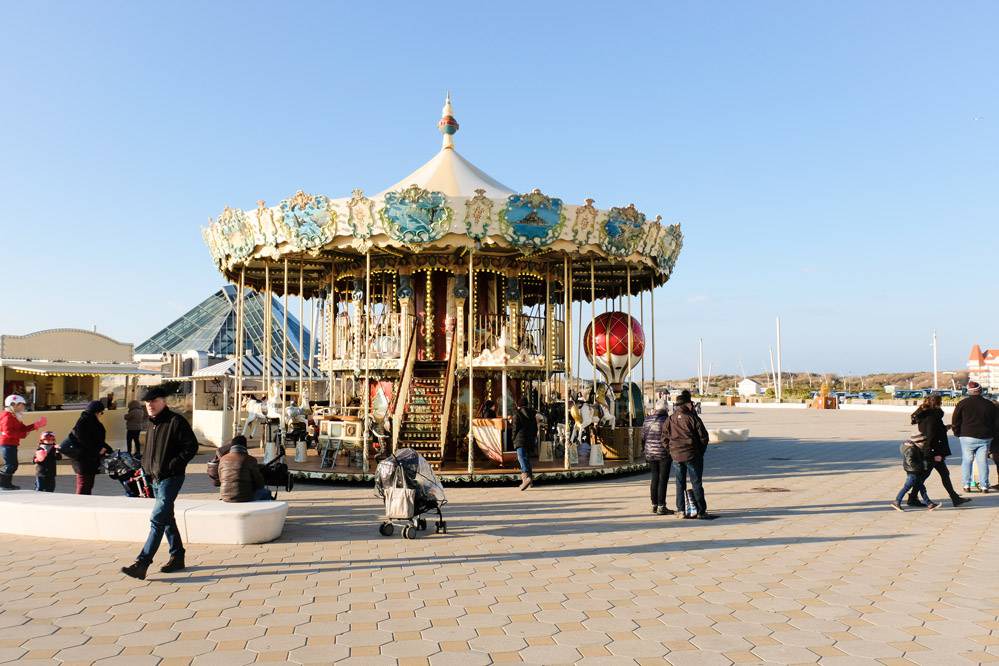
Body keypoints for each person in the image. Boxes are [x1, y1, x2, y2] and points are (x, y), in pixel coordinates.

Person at [121, 385, 199, 580]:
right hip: (154, 478)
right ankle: (177, 556)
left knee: (157, 519)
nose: (150, 405)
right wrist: (145, 468)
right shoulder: (151, 423)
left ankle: (142, 563)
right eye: (147, 402)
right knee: (166, 519)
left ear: (163, 402)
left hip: (171, 478)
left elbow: (191, 447)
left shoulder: (176, 421)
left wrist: (172, 465)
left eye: (154, 401)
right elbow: (150, 451)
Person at [908, 394, 970, 507]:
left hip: (932, 450)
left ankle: (954, 498)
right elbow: (931, 435)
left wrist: (946, 427)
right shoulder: (932, 417)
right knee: (925, 475)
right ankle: (911, 498)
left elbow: (933, 430)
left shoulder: (927, 414)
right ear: (938, 403)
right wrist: (932, 453)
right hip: (933, 451)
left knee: (941, 474)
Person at [667, 390, 714, 519]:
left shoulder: (670, 419)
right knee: (696, 482)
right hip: (692, 455)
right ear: (688, 404)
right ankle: (700, 510)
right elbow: (704, 437)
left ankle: (681, 510)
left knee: (679, 483)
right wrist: (700, 452)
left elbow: (664, 437)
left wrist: (671, 451)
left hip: (676, 455)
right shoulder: (693, 418)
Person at [952, 381, 996, 493]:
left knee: (967, 460)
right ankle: (984, 486)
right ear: (980, 391)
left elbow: (955, 420)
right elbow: (995, 422)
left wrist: (957, 432)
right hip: (985, 437)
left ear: (969, 391)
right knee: (982, 462)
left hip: (967, 436)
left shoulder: (962, 403)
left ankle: (966, 485)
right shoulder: (989, 404)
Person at [0, 394, 47, 490]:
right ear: (13, 404)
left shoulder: (14, 416)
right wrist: (22, 435)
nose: (23, 407)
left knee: (12, 464)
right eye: (21, 404)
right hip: (7, 444)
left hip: (11, 444)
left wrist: (35, 425)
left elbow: (23, 428)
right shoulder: (7, 417)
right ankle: (3, 484)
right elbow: (8, 432)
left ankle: (6, 484)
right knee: (10, 465)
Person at [70, 401, 113, 495]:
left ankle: (83, 505)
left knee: (87, 485)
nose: (101, 415)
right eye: (101, 412)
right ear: (96, 412)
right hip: (84, 460)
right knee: (84, 485)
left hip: (87, 460)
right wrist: (98, 449)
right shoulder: (86, 422)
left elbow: (95, 440)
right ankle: (80, 506)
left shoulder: (88, 421)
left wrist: (108, 449)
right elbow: (84, 440)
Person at [890, 433, 939, 511]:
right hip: (913, 472)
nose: (924, 444)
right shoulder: (911, 449)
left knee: (921, 488)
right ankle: (896, 502)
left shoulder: (915, 447)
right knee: (906, 487)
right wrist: (921, 466)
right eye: (923, 442)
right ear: (919, 442)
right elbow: (910, 462)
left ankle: (929, 504)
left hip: (915, 471)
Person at [642, 397, 674, 515]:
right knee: (663, 479)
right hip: (663, 453)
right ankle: (661, 506)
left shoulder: (647, 419)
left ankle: (654, 504)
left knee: (654, 478)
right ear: (666, 408)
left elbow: (643, 436)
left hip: (650, 452)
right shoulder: (667, 420)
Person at [218, 436, 272, 502]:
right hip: (245, 497)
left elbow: (220, 479)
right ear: (245, 446)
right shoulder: (250, 460)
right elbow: (260, 484)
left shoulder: (223, 459)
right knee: (266, 493)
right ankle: (260, 511)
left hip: (225, 497)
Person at [510, 396, 537, 491]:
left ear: (519, 404)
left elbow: (515, 428)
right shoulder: (532, 414)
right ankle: (530, 480)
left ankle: (526, 478)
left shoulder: (517, 413)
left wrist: (513, 438)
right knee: (527, 458)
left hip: (520, 439)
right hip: (529, 439)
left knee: (521, 458)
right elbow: (535, 429)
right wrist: (533, 438)